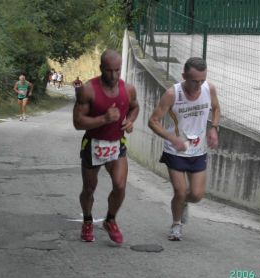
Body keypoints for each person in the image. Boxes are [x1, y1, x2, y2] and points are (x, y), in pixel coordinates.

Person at [148, 57, 221, 241]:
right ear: (184, 76)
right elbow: (153, 121)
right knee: (180, 191)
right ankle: (176, 224)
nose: (198, 85)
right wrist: (172, 138)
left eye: (202, 80)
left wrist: (214, 128)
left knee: (196, 195)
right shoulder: (173, 94)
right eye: (194, 81)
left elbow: (217, 108)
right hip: (176, 151)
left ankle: (183, 204)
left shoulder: (209, 89)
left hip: (198, 150)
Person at [73, 49, 139, 244]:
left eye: (117, 70)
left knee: (120, 186)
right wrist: (104, 118)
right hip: (93, 144)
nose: (113, 75)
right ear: (101, 68)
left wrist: (130, 120)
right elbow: (78, 122)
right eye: (109, 70)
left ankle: (110, 219)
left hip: (117, 143)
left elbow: (135, 107)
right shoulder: (88, 90)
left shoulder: (128, 89)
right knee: (89, 188)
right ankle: (87, 219)